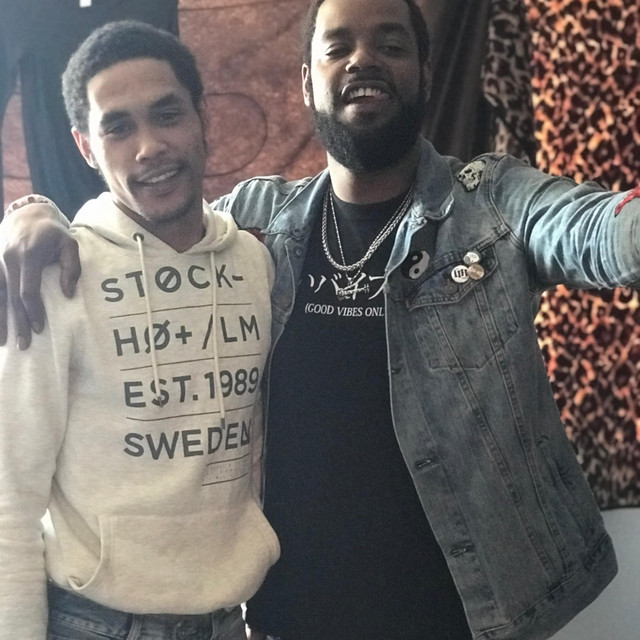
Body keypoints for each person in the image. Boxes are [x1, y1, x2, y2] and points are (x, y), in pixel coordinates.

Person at [2, 0, 637, 638]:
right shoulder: (259, 223)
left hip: (458, 617)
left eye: (391, 44)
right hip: (287, 618)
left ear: (425, 73)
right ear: (307, 81)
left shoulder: (491, 204)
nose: (363, 59)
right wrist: (31, 211)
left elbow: (591, 229)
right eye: (338, 47)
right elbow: (150, 222)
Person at [0, 20, 279, 640]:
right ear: (85, 147)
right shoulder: (54, 274)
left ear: (203, 118)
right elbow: (9, 496)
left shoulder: (255, 265)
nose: (149, 146)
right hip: (92, 623)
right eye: (118, 127)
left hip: (226, 622)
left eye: (167, 114)